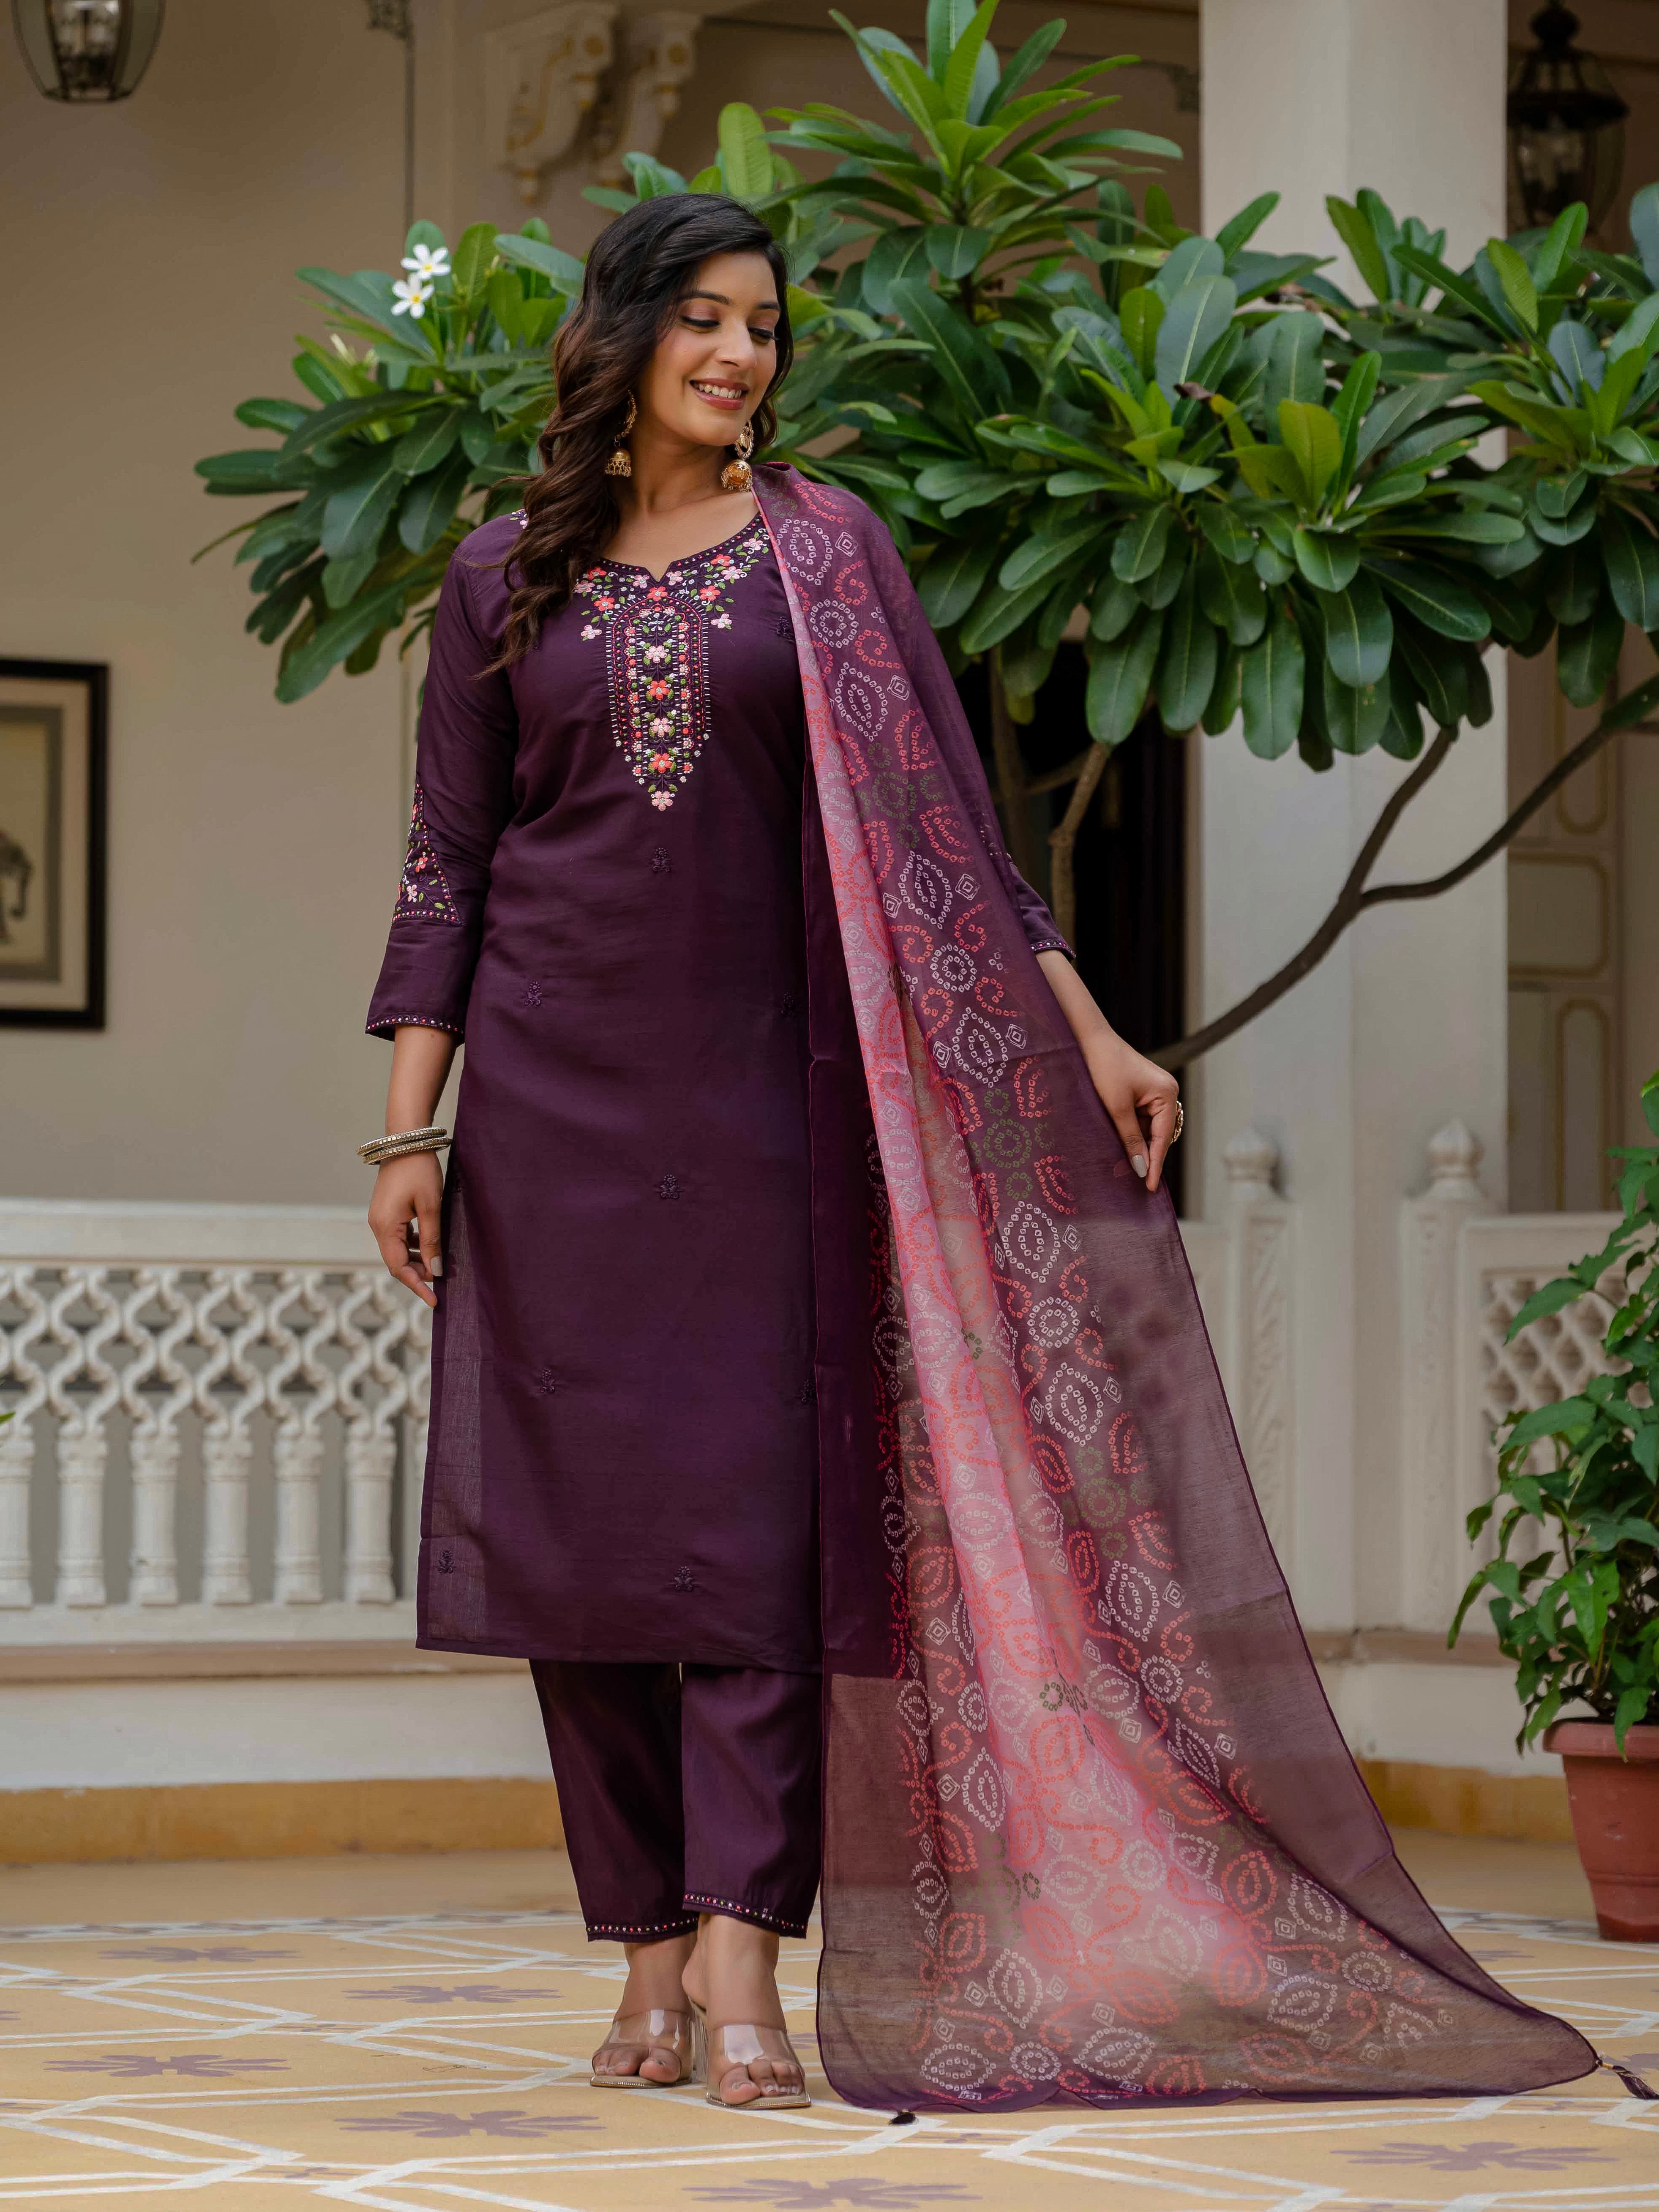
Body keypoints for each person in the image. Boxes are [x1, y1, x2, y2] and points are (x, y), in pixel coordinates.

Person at [365, 193, 1595, 2117]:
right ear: (619, 335)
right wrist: (407, 1124)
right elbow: (451, 860)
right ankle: (641, 1957)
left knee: (759, 1544)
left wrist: (1087, 1023)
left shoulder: (825, 555)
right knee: (587, 1563)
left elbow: (951, 832)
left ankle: (748, 1958)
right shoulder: (501, 576)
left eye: (764, 323)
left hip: (771, 1113)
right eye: (700, 318)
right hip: (545, 1112)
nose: (740, 354)